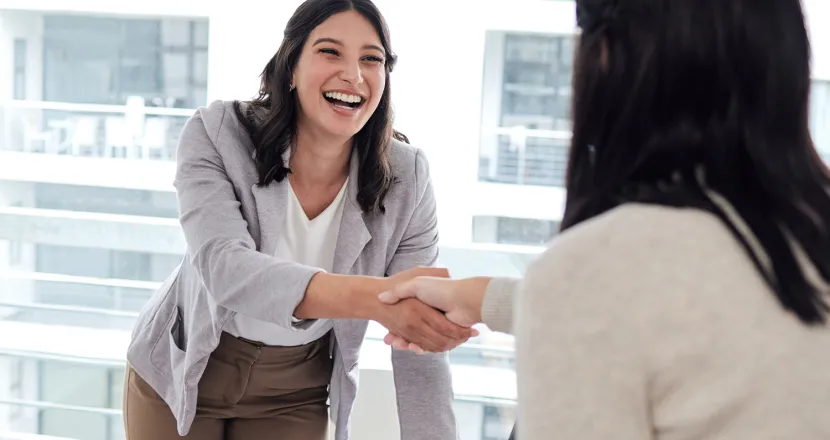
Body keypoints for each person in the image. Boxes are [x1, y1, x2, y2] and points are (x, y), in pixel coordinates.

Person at [381, 0, 830, 439]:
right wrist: (492, 299)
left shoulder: (597, 265)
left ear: (609, 59)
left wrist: (551, 294)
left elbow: (624, 303)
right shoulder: (804, 228)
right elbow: (704, 312)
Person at [122, 1, 476, 439]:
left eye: (372, 59)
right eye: (331, 52)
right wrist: (382, 300)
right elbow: (227, 269)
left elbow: (419, 340)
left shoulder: (409, 178)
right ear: (291, 67)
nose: (354, 75)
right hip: (184, 366)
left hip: (295, 388)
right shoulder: (216, 133)